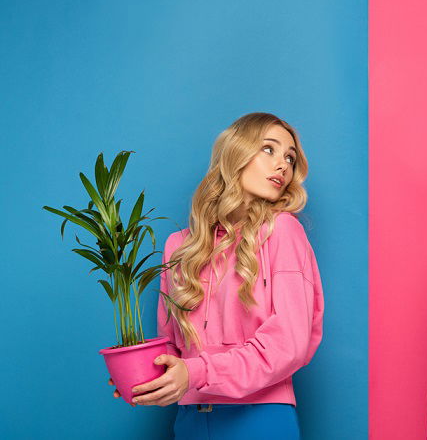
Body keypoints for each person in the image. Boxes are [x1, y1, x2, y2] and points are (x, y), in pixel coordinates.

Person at [108, 112, 324, 439]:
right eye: (269, 149)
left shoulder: (282, 231)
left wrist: (197, 372)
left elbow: (289, 343)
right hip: (191, 422)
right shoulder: (180, 246)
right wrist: (144, 373)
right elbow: (173, 346)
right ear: (235, 152)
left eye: (289, 158)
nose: (282, 165)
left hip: (260, 419)